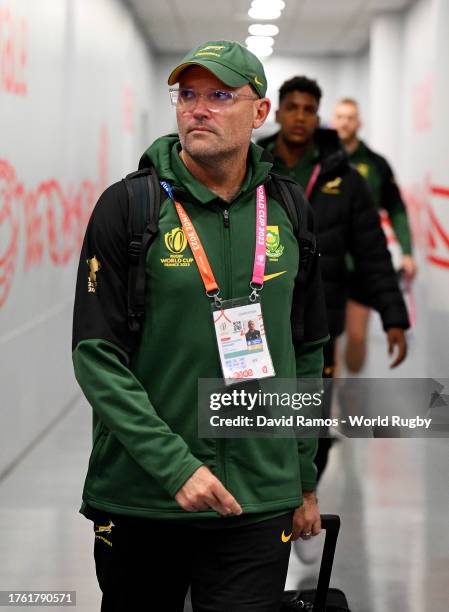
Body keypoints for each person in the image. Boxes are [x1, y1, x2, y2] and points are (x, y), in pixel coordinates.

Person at [72, 43, 329, 611]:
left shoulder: (288, 209)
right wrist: (177, 468)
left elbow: (308, 349)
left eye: (219, 96)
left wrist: (303, 477)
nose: (197, 109)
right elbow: (96, 357)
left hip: (258, 499)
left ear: (259, 112)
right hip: (144, 497)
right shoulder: (128, 208)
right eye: (187, 95)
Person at [258, 76, 410, 486]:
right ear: (277, 111)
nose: (300, 117)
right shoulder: (253, 166)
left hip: (321, 315)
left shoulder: (347, 176)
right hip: (259, 314)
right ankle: (270, 506)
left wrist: (393, 314)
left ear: (317, 116)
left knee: (315, 418)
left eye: (309, 109)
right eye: (293, 107)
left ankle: (305, 490)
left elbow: (372, 250)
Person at [332, 97, 417, 372]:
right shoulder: (319, 160)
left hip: (362, 264)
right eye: (340, 117)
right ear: (333, 121)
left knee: (356, 335)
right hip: (326, 262)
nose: (345, 122)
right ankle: (327, 400)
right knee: (326, 338)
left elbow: (397, 210)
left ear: (359, 123)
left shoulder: (376, 165)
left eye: (350, 117)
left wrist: (406, 252)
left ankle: (351, 392)